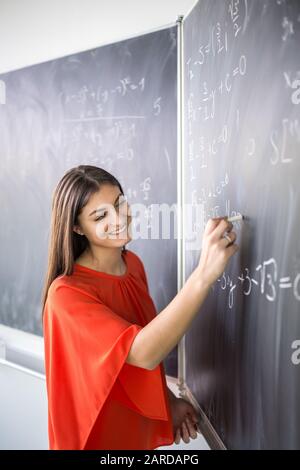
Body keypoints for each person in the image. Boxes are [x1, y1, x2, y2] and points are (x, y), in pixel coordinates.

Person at [42, 164, 238, 450]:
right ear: (76, 227)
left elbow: (128, 365)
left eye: (119, 204)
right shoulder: (67, 295)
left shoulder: (132, 265)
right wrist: (203, 275)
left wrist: (169, 400)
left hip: (134, 439)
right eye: (100, 216)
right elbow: (142, 352)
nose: (119, 218)